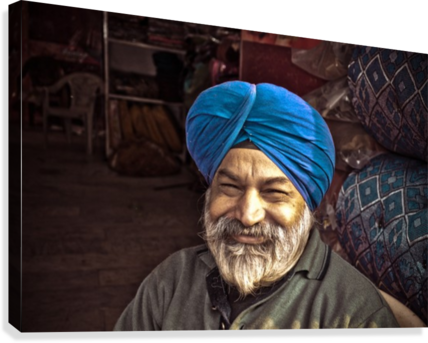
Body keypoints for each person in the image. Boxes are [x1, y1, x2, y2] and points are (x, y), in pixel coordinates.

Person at [113, 81, 418, 330]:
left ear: (306, 206)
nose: (247, 215)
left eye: (274, 193)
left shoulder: (353, 316)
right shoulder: (170, 281)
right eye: (230, 187)